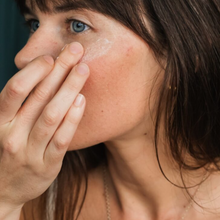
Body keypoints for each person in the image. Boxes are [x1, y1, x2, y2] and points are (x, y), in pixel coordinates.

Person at [0, 0, 220, 219]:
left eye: (78, 25)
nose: (25, 57)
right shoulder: (27, 198)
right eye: (34, 24)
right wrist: (6, 200)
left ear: (190, 46)